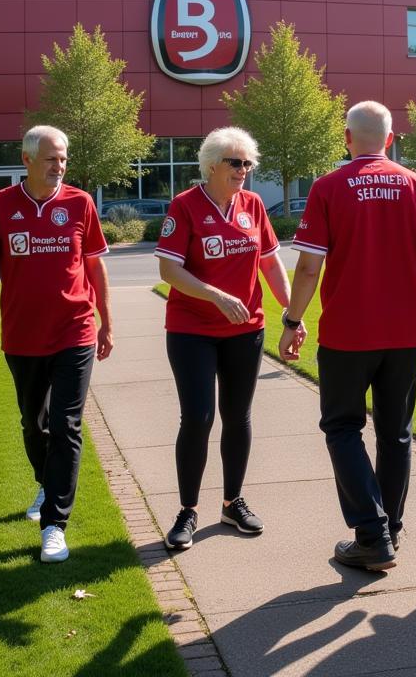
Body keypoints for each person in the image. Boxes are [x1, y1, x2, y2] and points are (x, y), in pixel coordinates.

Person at [278, 101, 416, 572]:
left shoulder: (329, 187)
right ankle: (389, 529)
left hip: (347, 333)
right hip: (404, 333)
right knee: (395, 433)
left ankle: (373, 535)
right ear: (391, 139)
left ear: (346, 138)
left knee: (342, 427)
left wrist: (292, 322)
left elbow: (310, 265)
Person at [0, 125, 112, 564]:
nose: (59, 166)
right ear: (27, 160)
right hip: (23, 337)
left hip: (75, 331)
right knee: (35, 423)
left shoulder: (81, 203)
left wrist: (107, 323)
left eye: (63, 158)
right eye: (51, 158)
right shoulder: (2, 205)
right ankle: (45, 481)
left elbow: (96, 268)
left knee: (67, 425)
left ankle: (54, 525)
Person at [155, 127, 293, 551]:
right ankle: (187, 511)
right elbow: (169, 270)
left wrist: (292, 314)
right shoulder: (185, 206)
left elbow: (270, 264)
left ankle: (232, 503)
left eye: (249, 163)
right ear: (212, 164)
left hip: (246, 330)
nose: (244, 171)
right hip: (192, 330)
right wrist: (215, 295)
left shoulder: (252, 205)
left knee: (238, 416)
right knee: (197, 417)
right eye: (236, 163)